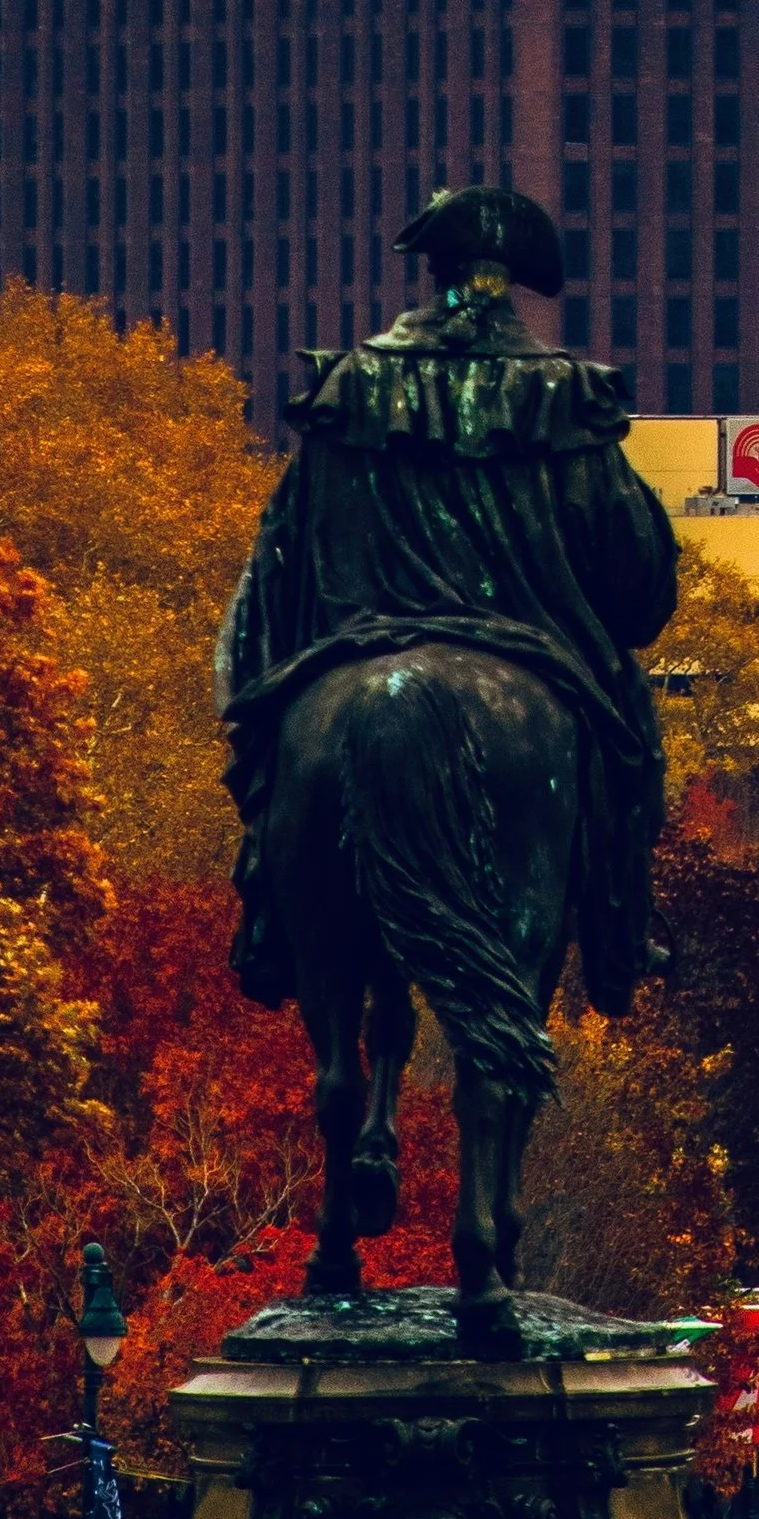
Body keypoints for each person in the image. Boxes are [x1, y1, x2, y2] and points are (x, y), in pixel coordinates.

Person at [216, 185, 675, 1021]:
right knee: (631, 756)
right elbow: (636, 580)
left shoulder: (351, 386)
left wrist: (263, 685)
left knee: (285, 750)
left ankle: (273, 925)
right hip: (533, 652)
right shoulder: (565, 395)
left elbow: (277, 556)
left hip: (354, 643)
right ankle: (622, 934)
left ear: (433, 273)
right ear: (517, 280)